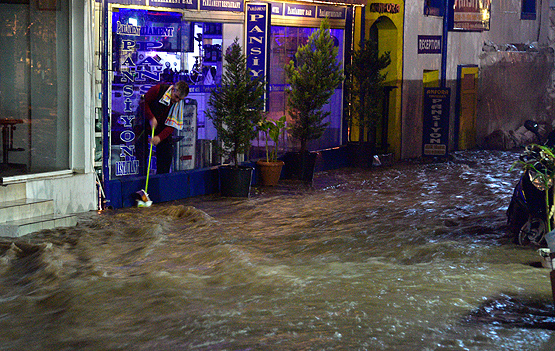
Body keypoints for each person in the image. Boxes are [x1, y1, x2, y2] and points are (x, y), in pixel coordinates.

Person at [143, 81, 189, 174]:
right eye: (176, 96)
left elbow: (172, 125)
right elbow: (143, 103)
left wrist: (159, 138)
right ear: (173, 89)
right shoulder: (157, 90)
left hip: (161, 129)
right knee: (142, 157)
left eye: (180, 99)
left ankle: (162, 181)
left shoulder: (178, 104)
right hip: (145, 125)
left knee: (166, 156)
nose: (177, 101)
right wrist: (151, 117)